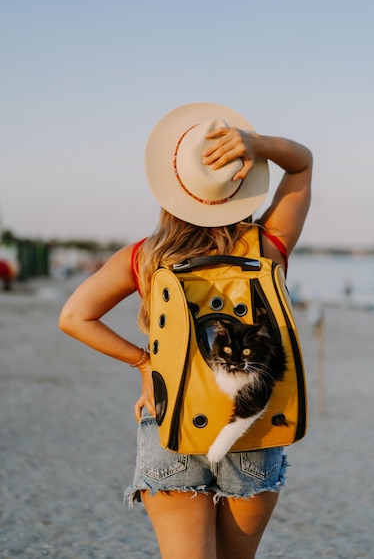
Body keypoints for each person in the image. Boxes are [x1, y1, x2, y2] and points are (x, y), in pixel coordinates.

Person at [59, 102, 313, 559]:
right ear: (241, 185)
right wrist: (258, 145)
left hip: (170, 420)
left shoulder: (145, 257)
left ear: (170, 187)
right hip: (249, 425)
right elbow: (303, 162)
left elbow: (74, 317)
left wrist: (145, 363)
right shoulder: (266, 248)